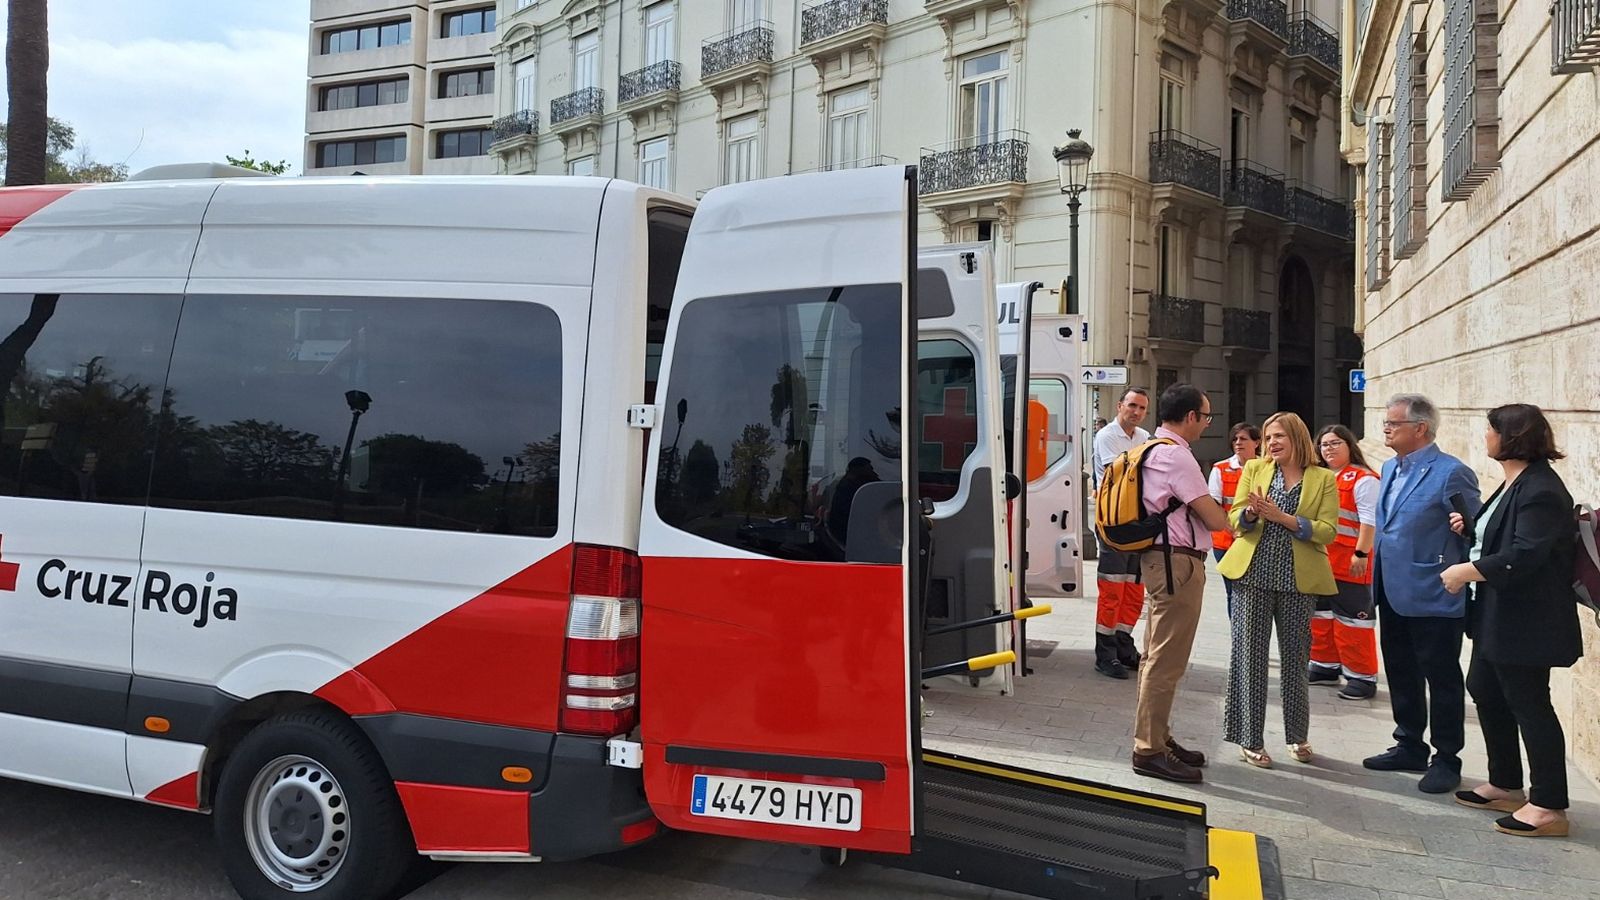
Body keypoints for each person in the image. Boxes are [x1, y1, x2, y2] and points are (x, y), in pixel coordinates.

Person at [1443, 405, 1582, 837]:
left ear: (1513, 437)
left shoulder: (1540, 488)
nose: (1485, 436)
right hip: (1497, 615)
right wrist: (1471, 529)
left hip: (1526, 620)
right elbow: (1505, 535)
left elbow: (1526, 555)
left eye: (1491, 430)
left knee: (1530, 704)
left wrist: (1465, 570)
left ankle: (1549, 805)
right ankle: (1505, 783)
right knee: (1484, 687)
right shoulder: (1515, 482)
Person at [1362, 393, 1481, 794]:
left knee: (1442, 677)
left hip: (1434, 591)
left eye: (1392, 424)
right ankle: (1409, 744)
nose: (1385, 429)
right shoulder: (1389, 467)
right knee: (1400, 670)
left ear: (1420, 429)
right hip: (1392, 589)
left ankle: (1447, 757)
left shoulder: (1451, 472)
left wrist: (1465, 525)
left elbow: (1476, 529)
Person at [1217, 413, 1338, 768]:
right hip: (1252, 574)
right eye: (1268, 437)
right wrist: (1252, 515)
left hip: (1298, 581)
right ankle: (1250, 739)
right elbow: (1235, 517)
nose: (1272, 443)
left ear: (1298, 438)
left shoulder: (1323, 478)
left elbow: (1328, 530)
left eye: (1279, 436)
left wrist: (1284, 518)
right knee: (1249, 658)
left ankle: (1297, 736)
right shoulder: (1254, 469)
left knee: (1296, 660)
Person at [1129, 383, 1231, 784]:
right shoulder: (1178, 458)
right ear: (1190, 417)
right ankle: (1148, 750)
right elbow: (1214, 518)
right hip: (1178, 565)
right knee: (1165, 661)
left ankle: (1158, 738)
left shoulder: (1147, 450)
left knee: (1154, 656)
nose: (1206, 424)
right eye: (1205, 417)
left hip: (1159, 561)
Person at [1311, 424, 1381, 701]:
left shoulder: (1363, 479)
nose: (1328, 449)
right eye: (1324, 444)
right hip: (1322, 562)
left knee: (1354, 623)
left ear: (1349, 445)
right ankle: (1326, 666)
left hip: (1352, 563)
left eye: (1335, 443)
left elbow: (1369, 521)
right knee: (1321, 617)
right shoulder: (1322, 477)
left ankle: (1362, 677)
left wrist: (1361, 554)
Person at [1091, 388, 1151, 679]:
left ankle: (1124, 645)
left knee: (1133, 589)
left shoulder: (1144, 437)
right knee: (1112, 589)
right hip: (1114, 522)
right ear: (1119, 406)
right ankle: (1105, 653)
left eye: (1141, 408)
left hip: (1137, 523)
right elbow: (1121, 473)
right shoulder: (1107, 436)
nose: (1136, 412)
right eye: (1132, 405)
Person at [1208, 423, 1261, 617]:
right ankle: (1238, 637)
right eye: (1235, 439)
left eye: (1244, 439)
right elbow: (1214, 505)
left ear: (1256, 443)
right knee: (1233, 592)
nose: (1238, 443)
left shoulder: (1266, 468)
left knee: (1255, 593)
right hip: (1226, 542)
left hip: (1256, 541)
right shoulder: (1220, 469)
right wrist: (1233, 529)